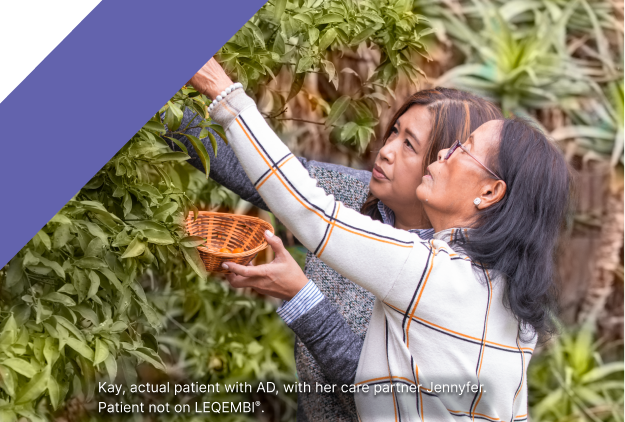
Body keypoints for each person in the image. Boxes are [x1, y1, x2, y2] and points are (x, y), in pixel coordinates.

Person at [188, 58, 569, 421]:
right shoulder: (506, 300)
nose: (444, 153)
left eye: (462, 148)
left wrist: (224, 93)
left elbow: (310, 212)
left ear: (489, 193)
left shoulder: (434, 272)